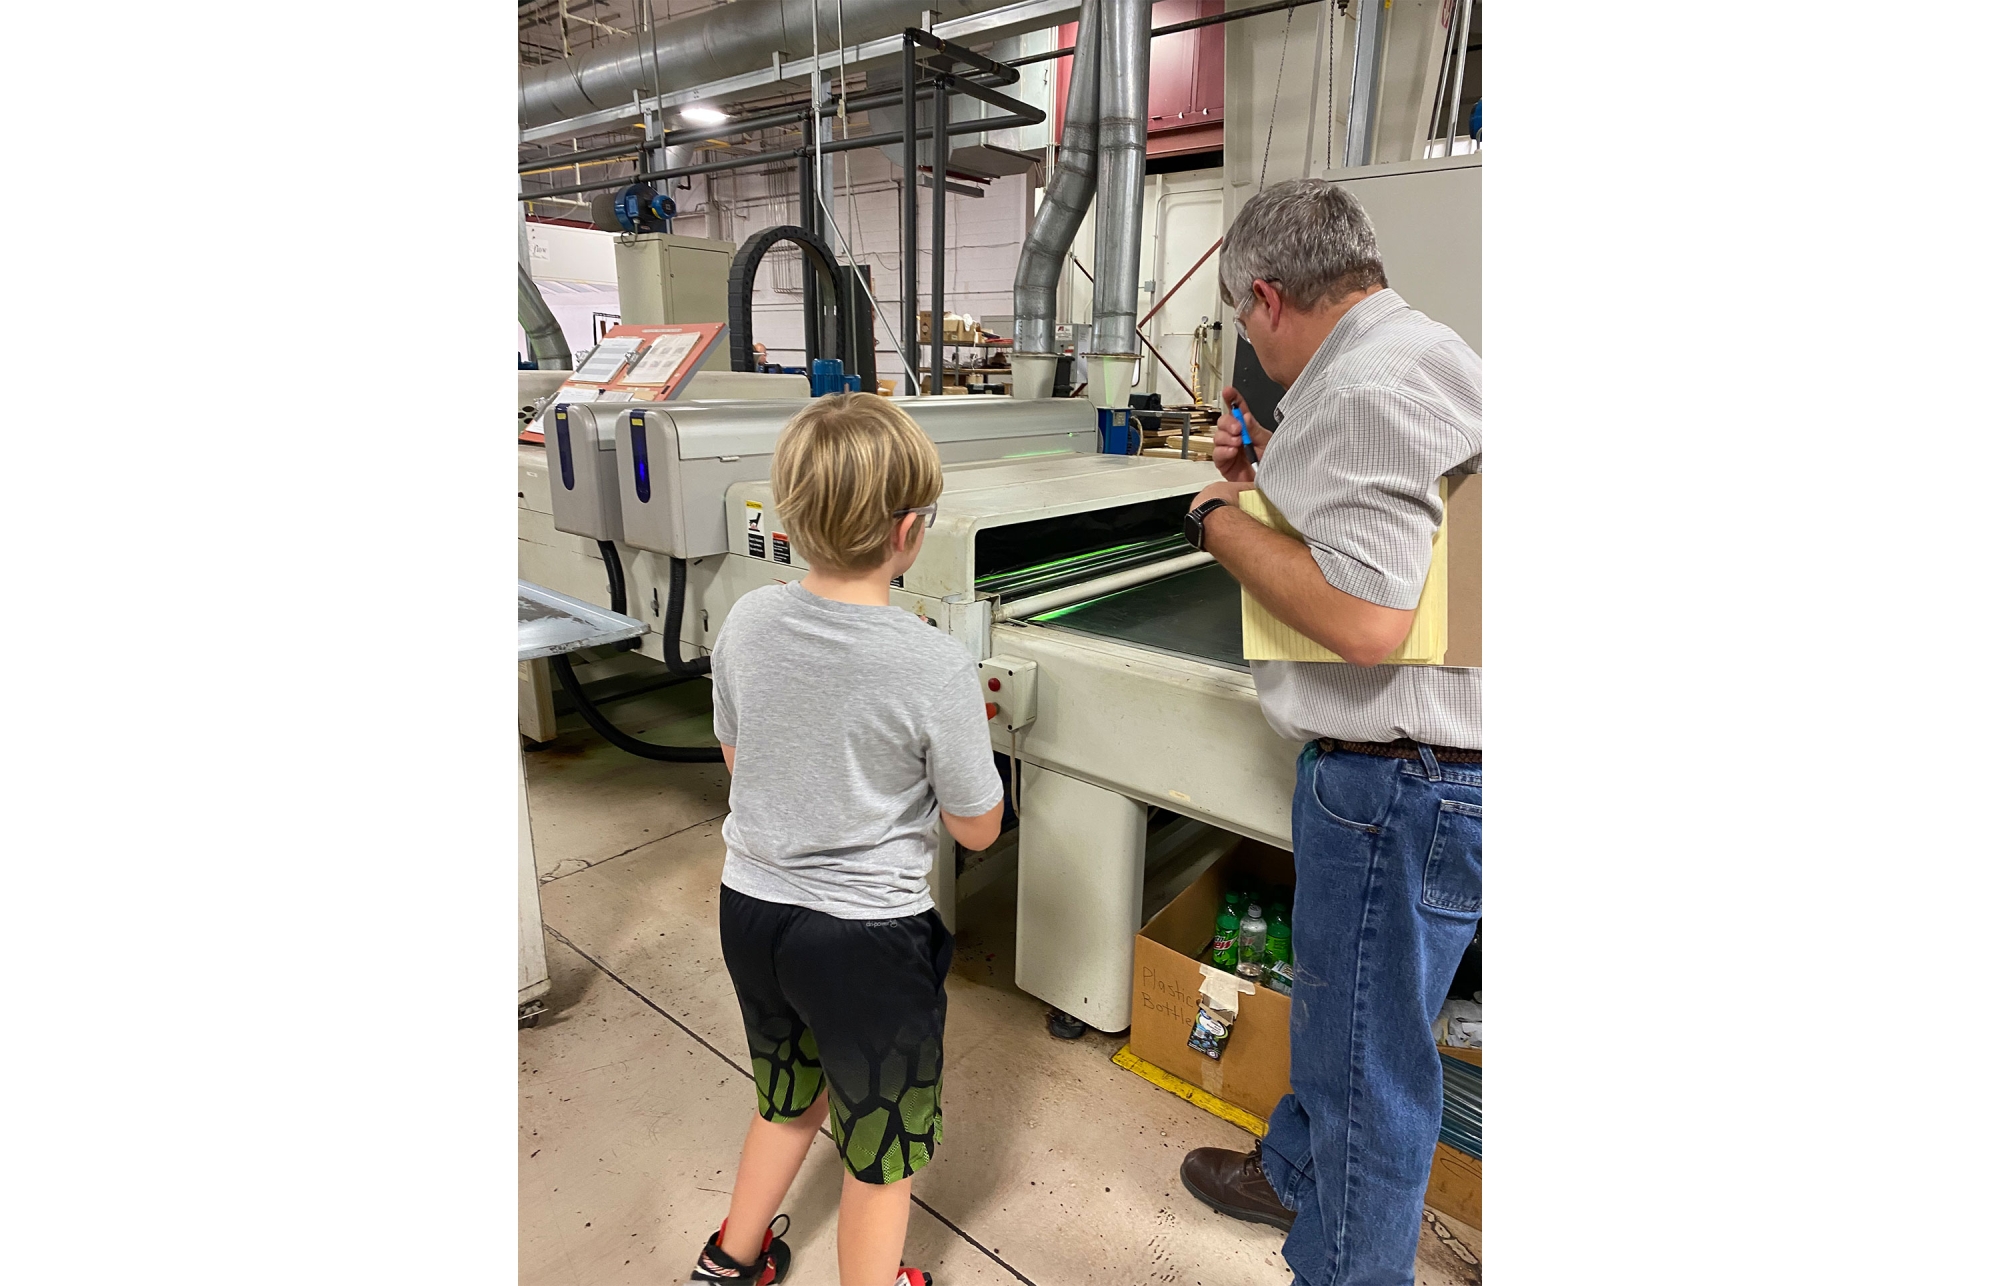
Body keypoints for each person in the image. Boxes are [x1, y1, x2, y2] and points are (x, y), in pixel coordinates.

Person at [1176, 180, 1482, 1286]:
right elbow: (1388, 531)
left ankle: (1347, 1266)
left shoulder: (1361, 388)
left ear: (1265, 297)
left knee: (1368, 1068)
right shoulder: (1418, 351)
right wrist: (1268, 471)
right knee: (1344, 1020)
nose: (1251, 344)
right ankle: (1298, 1172)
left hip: (1398, 784)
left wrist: (1215, 521)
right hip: (1423, 774)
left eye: (1242, 319)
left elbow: (1363, 619)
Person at [689, 395, 1006, 1286]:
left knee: (786, 1093)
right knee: (882, 1148)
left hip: (751, 911)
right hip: (866, 941)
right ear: (909, 532)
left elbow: (739, 756)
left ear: (790, 520)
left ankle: (731, 1259)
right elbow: (978, 829)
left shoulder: (747, 621)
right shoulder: (933, 663)